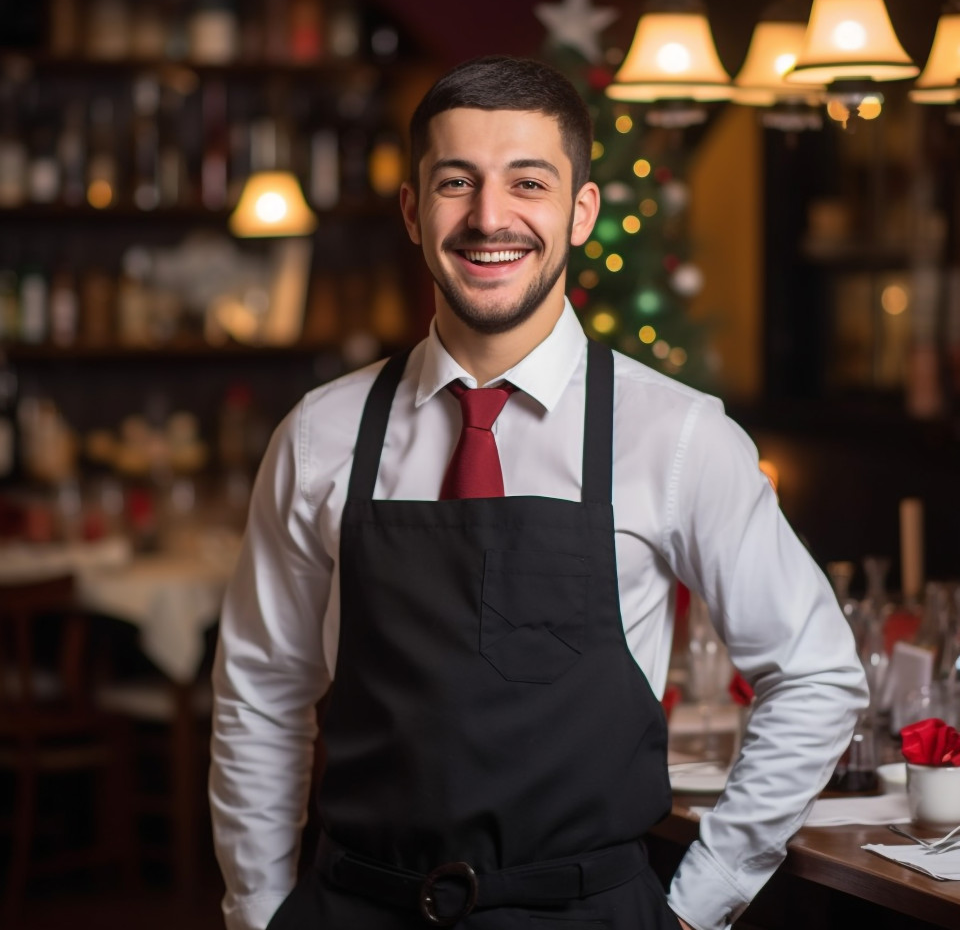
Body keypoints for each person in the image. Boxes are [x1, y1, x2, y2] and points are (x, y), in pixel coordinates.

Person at [209, 55, 868, 930]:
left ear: (580, 211)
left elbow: (818, 674)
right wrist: (258, 914)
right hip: (354, 908)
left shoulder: (675, 435)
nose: (490, 217)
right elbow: (261, 691)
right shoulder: (318, 434)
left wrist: (697, 905)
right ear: (413, 210)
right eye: (455, 182)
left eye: (529, 182)